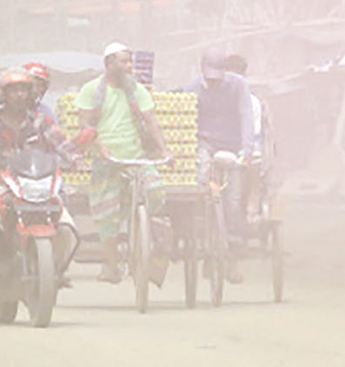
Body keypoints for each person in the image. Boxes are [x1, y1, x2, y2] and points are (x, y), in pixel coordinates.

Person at [0, 70, 78, 289]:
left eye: (24, 90)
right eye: (13, 90)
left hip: (36, 183)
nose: (19, 95)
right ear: (3, 94)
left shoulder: (41, 121)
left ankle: (59, 266)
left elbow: (60, 142)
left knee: (66, 220)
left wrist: (75, 156)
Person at [75, 42, 170, 284]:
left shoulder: (137, 90)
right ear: (109, 63)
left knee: (155, 190)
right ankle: (111, 265)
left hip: (136, 158)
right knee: (107, 215)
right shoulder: (91, 90)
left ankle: (148, 236)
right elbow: (86, 124)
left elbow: (151, 121)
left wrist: (163, 149)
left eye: (130, 61)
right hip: (106, 161)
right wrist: (100, 147)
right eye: (124, 62)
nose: (129, 66)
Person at [184, 50, 255, 282]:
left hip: (233, 146)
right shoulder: (193, 88)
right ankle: (203, 238)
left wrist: (247, 148)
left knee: (233, 200)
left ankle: (232, 249)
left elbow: (246, 116)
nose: (213, 82)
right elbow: (187, 119)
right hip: (205, 144)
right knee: (201, 186)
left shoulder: (238, 85)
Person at [223, 53, 273, 223]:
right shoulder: (218, 98)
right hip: (223, 146)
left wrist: (246, 149)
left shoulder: (252, 102)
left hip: (246, 147)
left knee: (255, 166)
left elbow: (254, 130)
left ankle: (252, 206)